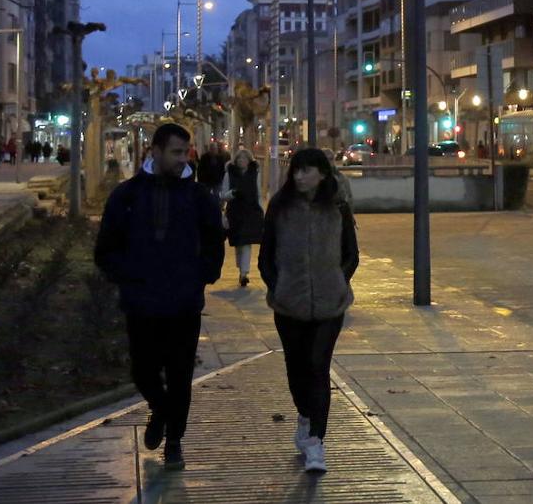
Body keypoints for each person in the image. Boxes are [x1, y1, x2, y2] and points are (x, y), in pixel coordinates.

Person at [94, 123, 224, 471]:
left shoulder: (199, 198)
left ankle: (175, 442)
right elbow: (106, 248)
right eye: (175, 152)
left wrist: (202, 276)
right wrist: (128, 277)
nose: (183, 159)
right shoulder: (128, 196)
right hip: (142, 303)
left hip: (183, 303)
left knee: (180, 373)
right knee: (143, 371)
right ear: (155, 151)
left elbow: (214, 241)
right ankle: (161, 410)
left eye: (186, 152)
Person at [258, 148, 359, 475]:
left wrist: (336, 282)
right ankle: (304, 415)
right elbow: (266, 256)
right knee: (296, 368)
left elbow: (351, 255)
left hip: (330, 304)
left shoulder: (338, 208)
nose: (299, 176)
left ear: (323, 173)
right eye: (296, 170)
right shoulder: (280, 206)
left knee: (318, 366)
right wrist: (278, 286)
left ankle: (316, 442)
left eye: (307, 170)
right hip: (290, 304)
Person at [219, 148, 262, 287]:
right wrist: (233, 193)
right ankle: (241, 269)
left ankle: (244, 273)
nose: (241, 161)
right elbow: (223, 194)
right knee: (238, 242)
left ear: (249, 161)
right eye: (239, 159)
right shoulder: (229, 175)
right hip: (235, 212)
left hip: (250, 211)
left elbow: (258, 193)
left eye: (244, 159)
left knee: (246, 242)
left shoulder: (255, 174)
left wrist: (260, 210)